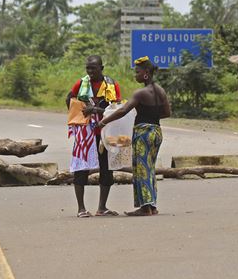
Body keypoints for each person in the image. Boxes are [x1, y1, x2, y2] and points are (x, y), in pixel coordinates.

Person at [97, 56, 171, 216]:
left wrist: (104, 122)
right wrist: (150, 115)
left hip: (143, 133)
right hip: (156, 131)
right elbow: (166, 113)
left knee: (141, 169)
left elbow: (123, 110)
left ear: (145, 73)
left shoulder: (141, 93)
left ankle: (145, 207)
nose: (135, 75)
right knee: (150, 168)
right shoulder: (160, 91)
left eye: (137, 72)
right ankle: (152, 205)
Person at [66, 55, 121, 218]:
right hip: (86, 134)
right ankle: (81, 208)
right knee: (81, 168)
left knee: (107, 169)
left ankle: (102, 207)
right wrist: (80, 112)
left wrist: (96, 111)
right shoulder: (81, 83)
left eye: (93, 68)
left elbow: (117, 109)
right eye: (88, 68)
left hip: (105, 133)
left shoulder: (111, 84)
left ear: (101, 68)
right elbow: (69, 99)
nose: (90, 71)